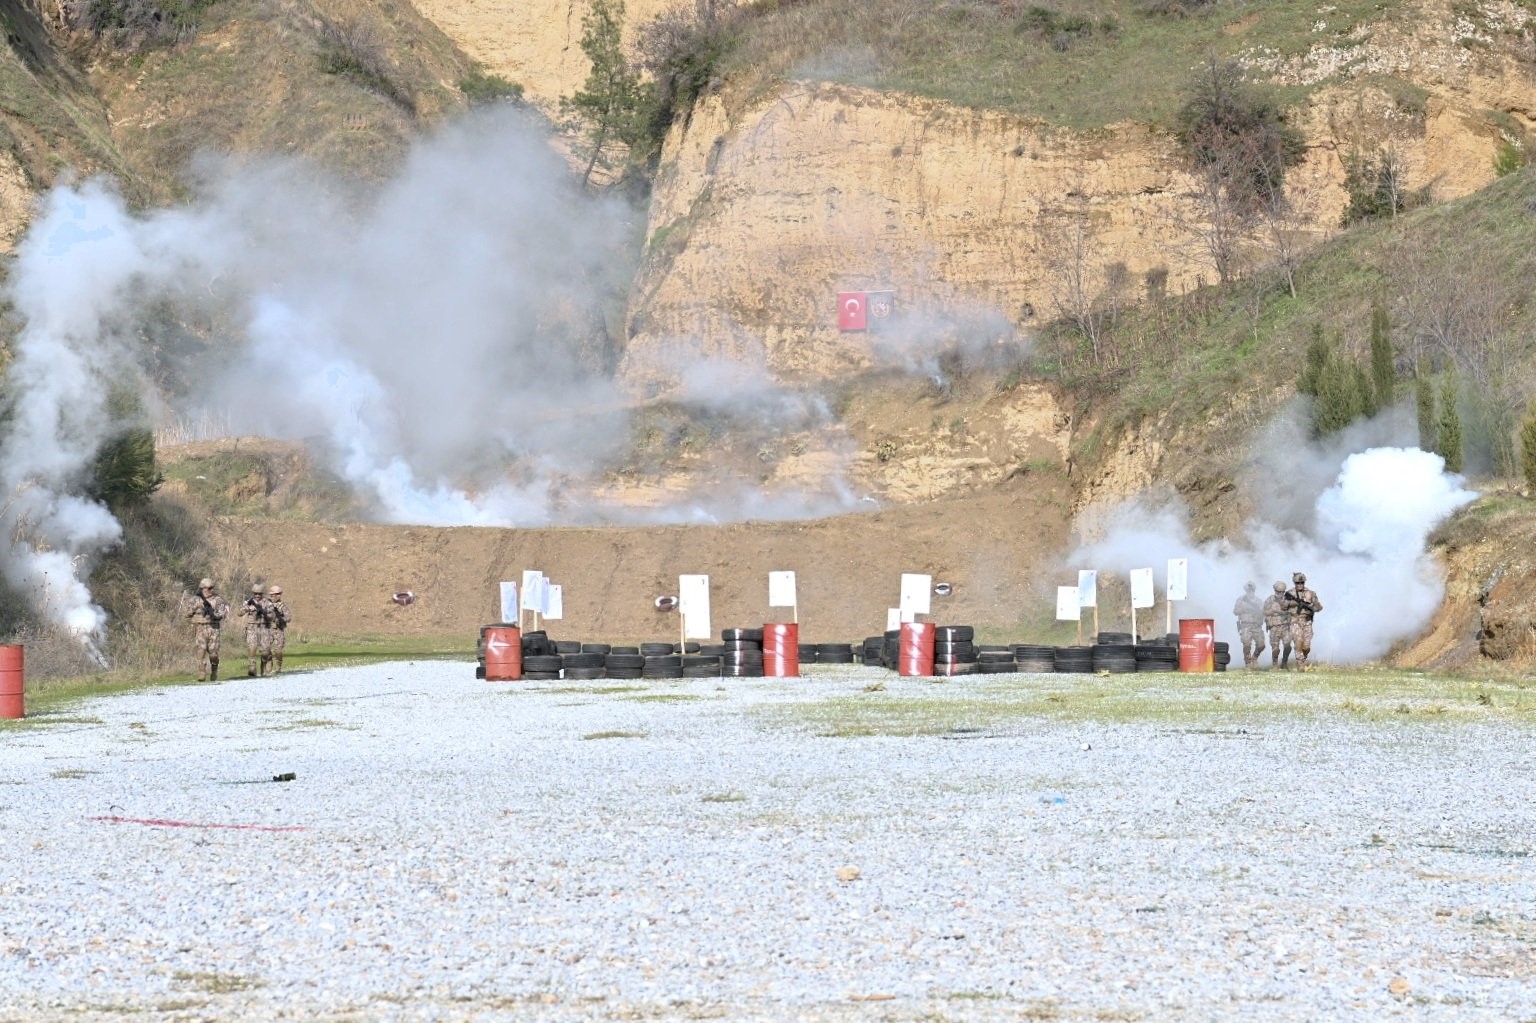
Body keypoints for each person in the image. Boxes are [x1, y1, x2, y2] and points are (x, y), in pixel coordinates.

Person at [184, 577, 229, 682]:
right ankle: (201, 672)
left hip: (213, 629)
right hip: (200, 628)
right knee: (200, 650)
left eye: (212, 588)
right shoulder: (195, 599)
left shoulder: (218, 600)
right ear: (202, 589)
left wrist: (213, 614)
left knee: (213, 654)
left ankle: (214, 670)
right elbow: (186, 613)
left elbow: (222, 614)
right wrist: (196, 606)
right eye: (208, 588)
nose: (211, 590)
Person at [1285, 572, 1324, 671]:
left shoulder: (1311, 593)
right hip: (1295, 621)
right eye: (1298, 583)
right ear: (1295, 583)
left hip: (1307, 621)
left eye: (1302, 583)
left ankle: (1304, 657)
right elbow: (1283, 606)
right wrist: (1294, 603)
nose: (1300, 585)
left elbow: (1319, 607)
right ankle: (1300, 663)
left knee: (1306, 646)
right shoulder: (1290, 593)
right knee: (1298, 642)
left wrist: (1311, 607)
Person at [237, 583, 272, 677]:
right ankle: (252, 668)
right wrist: (248, 608)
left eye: (259, 594)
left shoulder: (268, 603)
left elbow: (272, 616)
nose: (257, 596)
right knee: (252, 648)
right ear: (253, 593)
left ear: (262, 594)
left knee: (265, 651)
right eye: (255, 594)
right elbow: (239, 613)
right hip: (252, 628)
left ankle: (263, 666)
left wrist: (265, 614)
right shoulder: (248, 602)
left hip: (264, 628)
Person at [1232, 581, 1265, 668]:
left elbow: (1263, 612)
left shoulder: (1258, 601)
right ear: (1246, 590)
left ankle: (1254, 658)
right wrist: (1243, 610)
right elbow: (1235, 611)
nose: (1250, 592)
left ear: (1254, 590)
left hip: (1256, 625)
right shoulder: (1241, 600)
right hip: (1245, 625)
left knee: (1261, 645)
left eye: (1251, 590)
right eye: (1248, 590)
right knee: (1246, 645)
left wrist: (1260, 617)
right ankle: (1248, 663)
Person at [1262, 580, 1293, 670]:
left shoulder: (1287, 600)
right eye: (1278, 591)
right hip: (1274, 627)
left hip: (1285, 627)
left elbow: (1293, 612)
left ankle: (1284, 663)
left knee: (1288, 646)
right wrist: (1271, 612)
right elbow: (1264, 612)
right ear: (1275, 590)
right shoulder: (1269, 600)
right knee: (1275, 649)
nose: (1280, 593)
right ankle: (1275, 665)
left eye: (1282, 592)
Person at [265, 584, 291, 675]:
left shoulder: (282, 606)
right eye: (271, 595)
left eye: (275, 595)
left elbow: (288, 618)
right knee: (266, 649)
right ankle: (269, 666)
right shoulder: (267, 605)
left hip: (278, 630)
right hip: (267, 630)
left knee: (278, 651)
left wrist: (280, 619)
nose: (273, 597)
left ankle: (278, 667)